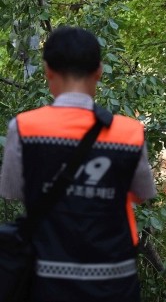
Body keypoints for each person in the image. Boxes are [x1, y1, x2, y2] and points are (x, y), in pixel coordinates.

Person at [0, 26, 157, 301]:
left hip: (47, 280)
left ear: (48, 70)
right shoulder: (129, 133)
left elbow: (12, 191)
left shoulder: (24, 128)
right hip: (114, 281)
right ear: (99, 71)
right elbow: (142, 195)